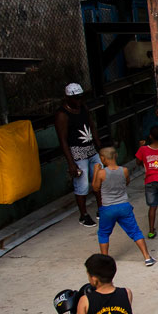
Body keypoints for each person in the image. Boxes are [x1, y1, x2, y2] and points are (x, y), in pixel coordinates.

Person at [92, 147, 155, 267]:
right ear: (116, 156)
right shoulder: (124, 170)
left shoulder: (101, 173)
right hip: (124, 206)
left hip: (108, 208)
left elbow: (95, 188)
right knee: (135, 231)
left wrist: (95, 171)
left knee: (103, 233)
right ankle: (147, 257)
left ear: (102, 158)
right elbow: (126, 182)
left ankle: (105, 261)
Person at [56, 83, 102, 228]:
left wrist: (98, 145)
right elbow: (63, 140)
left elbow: (91, 126)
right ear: (67, 98)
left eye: (80, 98)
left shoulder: (83, 107)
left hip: (91, 149)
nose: (79, 101)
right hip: (77, 152)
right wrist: (71, 163)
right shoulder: (62, 114)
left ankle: (101, 209)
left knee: (98, 179)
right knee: (82, 185)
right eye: (75, 98)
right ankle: (84, 215)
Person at [135, 127, 158, 239]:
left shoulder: (143, 149)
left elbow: (138, 162)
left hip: (150, 180)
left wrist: (140, 147)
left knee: (152, 207)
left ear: (150, 136)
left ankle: (151, 230)